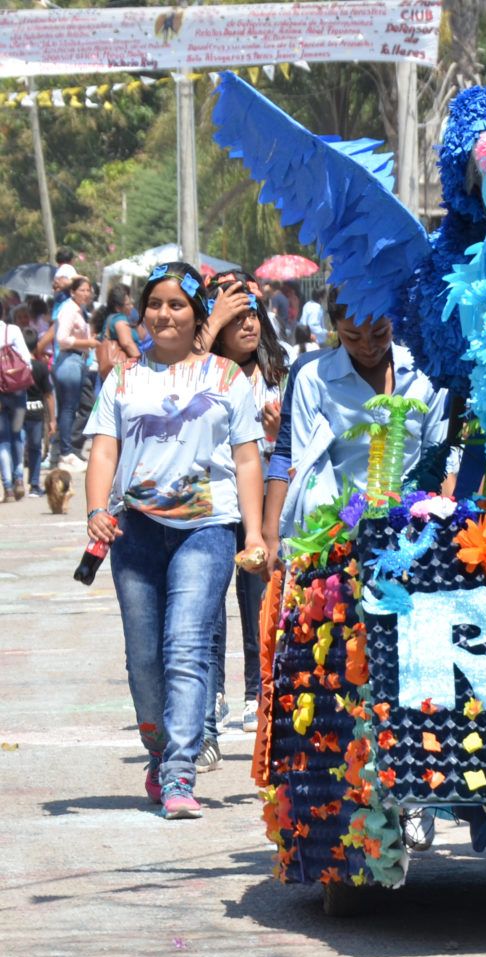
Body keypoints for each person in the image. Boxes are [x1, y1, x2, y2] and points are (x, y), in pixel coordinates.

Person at [83, 262, 266, 819]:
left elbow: (247, 457)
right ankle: (160, 754)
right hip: (134, 532)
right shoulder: (123, 378)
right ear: (143, 313)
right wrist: (95, 509)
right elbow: (105, 449)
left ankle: (181, 772)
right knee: (144, 660)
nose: (165, 313)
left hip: (207, 530)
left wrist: (254, 532)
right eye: (156, 304)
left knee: (186, 647)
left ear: (197, 314)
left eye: (178, 304)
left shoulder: (226, 378)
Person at [262, 290, 449, 573]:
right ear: (334, 327)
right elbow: (298, 462)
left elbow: (441, 460)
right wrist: (272, 536)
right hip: (334, 538)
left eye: (379, 333)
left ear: (394, 321)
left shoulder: (424, 375)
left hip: (413, 535)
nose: (368, 346)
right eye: (352, 336)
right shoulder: (314, 379)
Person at [196, 269, 289, 769]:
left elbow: (293, 446)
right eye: (238, 319)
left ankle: (258, 694)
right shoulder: (204, 370)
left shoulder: (279, 371)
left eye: (254, 316)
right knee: (209, 607)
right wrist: (210, 327)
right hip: (213, 500)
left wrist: (277, 432)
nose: (249, 326)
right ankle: (210, 700)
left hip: (260, 504)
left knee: (259, 602)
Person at [52, 276, 98, 470]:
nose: (86, 294)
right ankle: (65, 452)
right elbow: (61, 338)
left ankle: (66, 451)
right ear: (72, 292)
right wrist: (86, 343)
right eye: (82, 290)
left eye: (88, 290)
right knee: (69, 408)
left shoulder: (81, 311)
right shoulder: (69, 310)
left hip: (77, 360)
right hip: (69, 360)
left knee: (72, 408)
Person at [0, 302, 31, 502]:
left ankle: (8, 488)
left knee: (2, 440)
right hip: (18, 392)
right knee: (18, 434)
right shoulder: (12, 330)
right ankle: (20, 478)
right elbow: (26, 359)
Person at [21, 327, 55, 498]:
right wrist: (52, 420)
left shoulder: (17, 365)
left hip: (17, 413)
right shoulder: (41, 367)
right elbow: (48, 395)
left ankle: (16, 480)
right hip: (36, 414)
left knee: (16, 446)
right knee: (35, 448)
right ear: (36, 347)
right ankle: (34, 484)